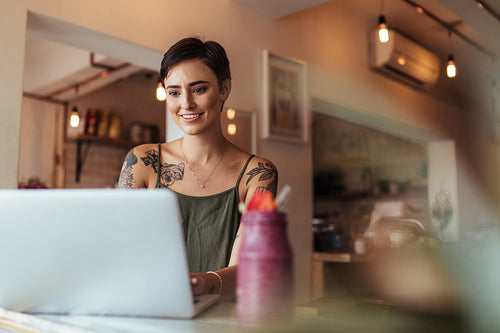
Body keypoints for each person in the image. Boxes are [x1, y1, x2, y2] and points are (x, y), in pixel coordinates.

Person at [118, 37, 278, 301]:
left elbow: (251, 267)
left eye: (199, 89)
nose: (186, 104)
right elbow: (120, 247)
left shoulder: (258, 174)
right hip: (152, 311)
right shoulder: (142, 162)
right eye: (174, 92)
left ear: (224, 89)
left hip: (221, 320)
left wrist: (205, 282)